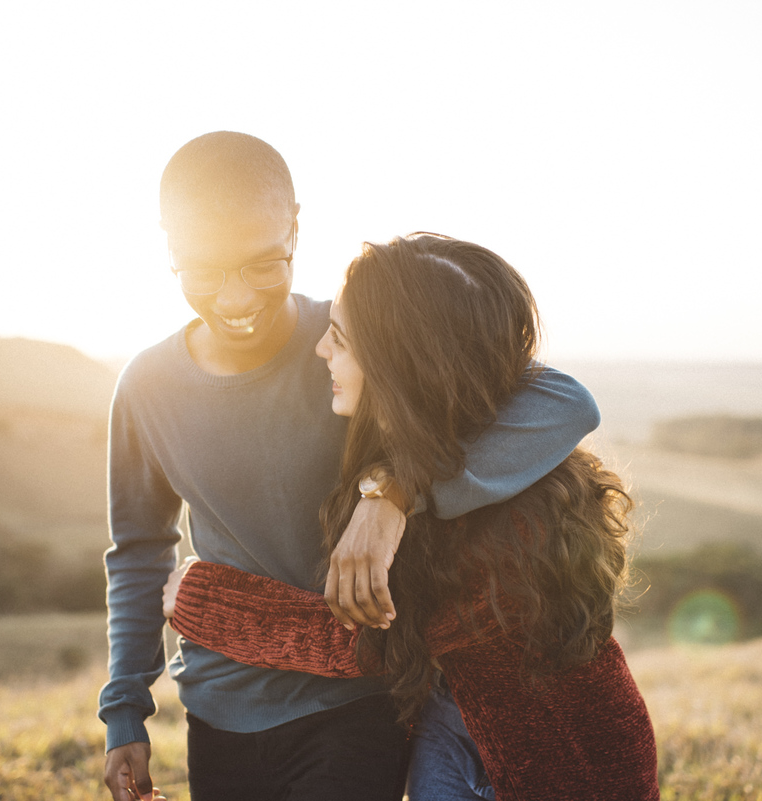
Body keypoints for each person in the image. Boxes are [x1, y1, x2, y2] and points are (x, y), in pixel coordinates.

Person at [99, 132, 602, 801]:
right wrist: (124, 708)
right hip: (217, 705)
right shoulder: (146, 387)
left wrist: (394, 494)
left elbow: (564, 403)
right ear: (168, 247)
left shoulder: (353, 343)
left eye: (263, 264)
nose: (237, 297)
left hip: (360, 700)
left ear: (296, 229)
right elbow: (139, 550)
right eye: (205, 269)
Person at [163, 234, 659, 800]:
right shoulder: (411, 458)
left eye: (341, 340)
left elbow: (364, 640)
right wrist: (389, 491)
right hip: (449, 732)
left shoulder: (516, 512)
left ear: (400, 364)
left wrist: (200, 598)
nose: (321, 349)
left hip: (562, 760)